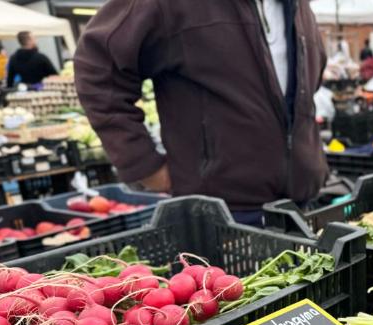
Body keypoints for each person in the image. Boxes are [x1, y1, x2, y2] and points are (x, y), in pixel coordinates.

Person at [74, 0, 327, 227]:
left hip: (300, 206)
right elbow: (99, 66)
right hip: (219, 218)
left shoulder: (298, 7)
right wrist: (144, 166)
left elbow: (303, 90)